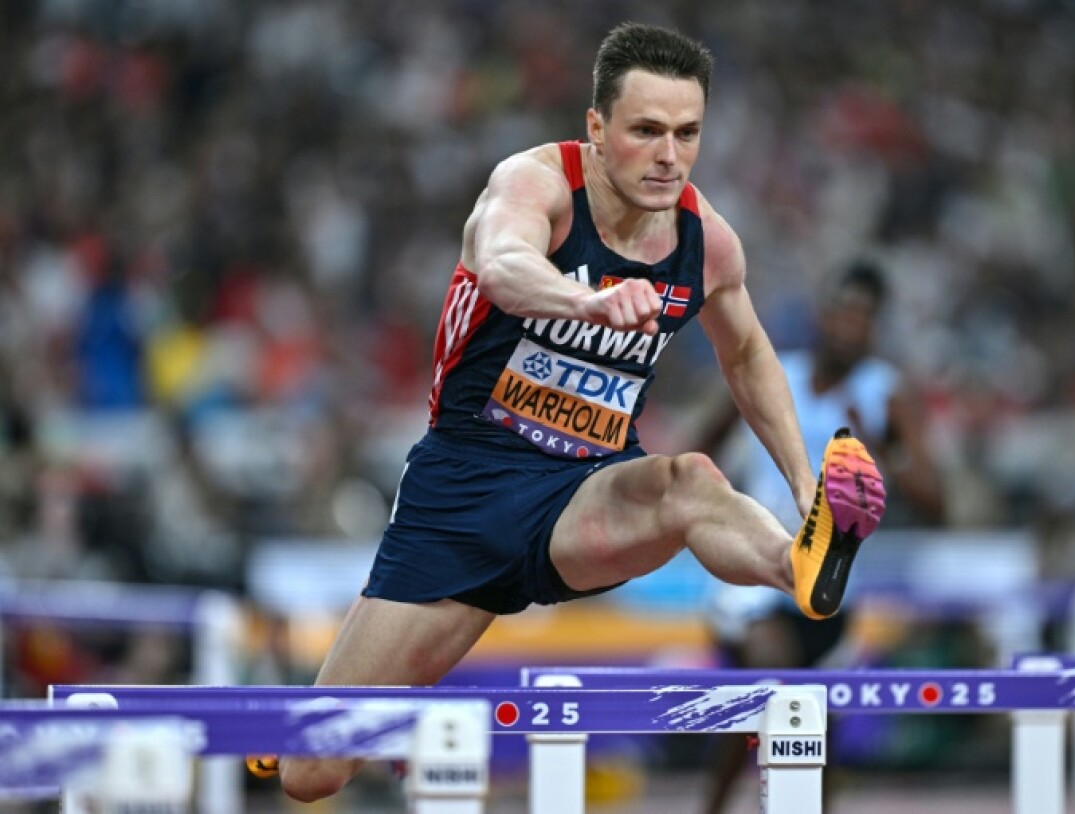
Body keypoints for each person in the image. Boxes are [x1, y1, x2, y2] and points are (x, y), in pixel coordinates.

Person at [272, 22, 886, 803]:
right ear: (596, 129)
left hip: (583, 492)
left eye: (688, 133)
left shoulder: (707, 242)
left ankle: (800, 562)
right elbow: (501, 265)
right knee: (309, 773)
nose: (669, 156)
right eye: (647, 131)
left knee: (688, 483)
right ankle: (360, 717)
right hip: (462, 495)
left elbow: (747, 355)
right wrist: (585, 301)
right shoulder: (535, 185)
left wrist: (803, 481)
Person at [698, 260, 945, 813]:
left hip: (833, 590)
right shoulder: (772, 372)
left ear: (875, 327)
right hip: (756, 574)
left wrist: (886, 448)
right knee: (773, 673)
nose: (846, 325)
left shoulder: (885, 395)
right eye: (840, 311)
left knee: (816, 727)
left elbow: (938, 504)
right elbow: (699, 445)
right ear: (821, 314)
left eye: (861, 316)